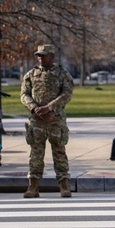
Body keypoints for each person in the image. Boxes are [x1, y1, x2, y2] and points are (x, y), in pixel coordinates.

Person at [20, 44, 74, 198]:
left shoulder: (62, 74)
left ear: (52, 56)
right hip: (37, 121)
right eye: (39, 55)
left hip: (55, 120)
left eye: (43, 55)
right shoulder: (31, 74)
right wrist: (35, 108)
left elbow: (67, 94)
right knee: (36, 154)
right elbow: (24, 94)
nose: (40, 58)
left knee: (59, 153)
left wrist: (49, 108)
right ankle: (33, 187)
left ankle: (64, 186)